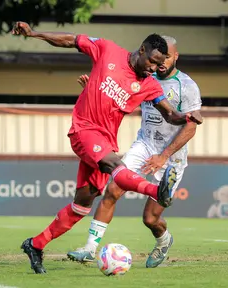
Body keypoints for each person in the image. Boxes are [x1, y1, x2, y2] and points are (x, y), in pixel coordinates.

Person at [11, 22, 203, 274]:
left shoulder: (149, 85)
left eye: (159, 65)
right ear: (142, 49)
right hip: (84, 130)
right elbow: (71, 40)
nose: (154, 69)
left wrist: (188, 118)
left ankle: (35, 244)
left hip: (106, 141)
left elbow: (169, 114)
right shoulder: (107, 49)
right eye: (152, 62)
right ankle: (157, 190)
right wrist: (34, 34)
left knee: (81, 205)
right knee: (115, 167)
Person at [67, 36, 202, 268]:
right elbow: (116, 93)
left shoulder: (186, 86)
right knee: (113, 188)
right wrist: (93, 87)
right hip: (144, 143)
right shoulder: (144, 77)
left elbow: (190, 127)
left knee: (150, 219)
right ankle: (90, 249)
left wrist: (164, 156)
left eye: (166, 58)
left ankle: (163, 240)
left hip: (171, 155)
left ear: (175, 57)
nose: (160, 63)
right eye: (157, 58)